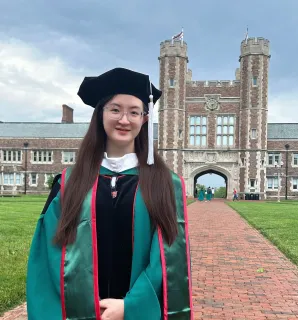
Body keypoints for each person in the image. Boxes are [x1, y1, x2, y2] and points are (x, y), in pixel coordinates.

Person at [26, 68, 193, 320]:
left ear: (144, 119)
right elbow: (47, 251)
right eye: (115, 109)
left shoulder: (166, 184)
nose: (124, 120)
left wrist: (130, 306)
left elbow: (170, 255)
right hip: (81, 310)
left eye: (134, 112)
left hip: (138, 310)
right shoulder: (70, 182)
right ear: (100, 114)